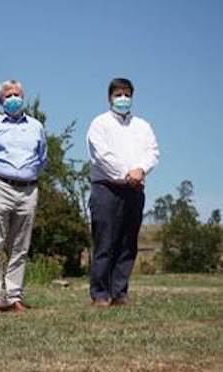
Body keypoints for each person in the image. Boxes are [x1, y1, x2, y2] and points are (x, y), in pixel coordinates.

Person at [0, 80, 47, 314]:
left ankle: (13, 297)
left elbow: (43, 159)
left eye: (17, 94)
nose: (13, 98)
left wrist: (26, 175)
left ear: (23, 97)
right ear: (0, 101)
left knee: (20, 247)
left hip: (28, 189)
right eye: (8, 95)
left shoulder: (36, 126)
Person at [87, 78, 159, 307]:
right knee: (105, 242)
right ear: (109, 97)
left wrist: (141, 169)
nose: (123, 99)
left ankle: (119, 292)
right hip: (106, 188)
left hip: (135, 190)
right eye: (118, 94)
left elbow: (152, 151)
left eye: (127, 94)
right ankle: (100, 293)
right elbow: (101, 155)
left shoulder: (142, 126)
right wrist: (126, 173)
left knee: (128, 243)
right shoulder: (100, 124)